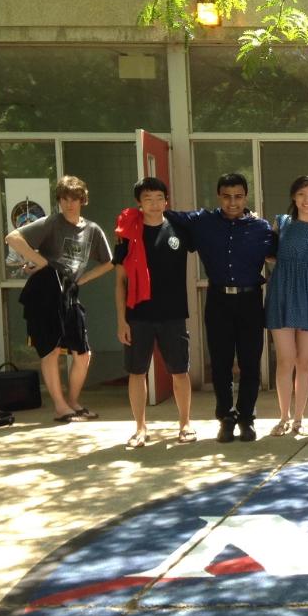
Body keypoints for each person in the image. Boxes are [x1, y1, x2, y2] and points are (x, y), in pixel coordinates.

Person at [166, 173, 275, 443]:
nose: (232, 202)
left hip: (250, 301)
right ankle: (226, 418)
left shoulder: (260, 228)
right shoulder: (203, 222)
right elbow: (165, 215)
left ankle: (246, 418)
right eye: (226, 197)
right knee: (221, 363)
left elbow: (280, 251)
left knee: (250, 362)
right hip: (218, 301)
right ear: (218, 197)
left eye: (238, 196)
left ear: (246, 197)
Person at [5, 175, 113, 423]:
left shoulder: (92, 229)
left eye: (74, 199)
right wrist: (41, 261)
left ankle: (73, 402)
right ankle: (61, 407)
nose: (68, 204)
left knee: (82, 353)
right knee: (51, 350)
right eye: (64, 199)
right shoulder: (52, 222)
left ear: (83, 200)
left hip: (69, 292)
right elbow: (12, 237)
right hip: (44, 291)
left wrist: (82, 280)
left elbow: (109, 262)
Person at [112, 176, 195, 447]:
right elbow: (120, 281)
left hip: (173, 314)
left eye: (159, 198)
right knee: (137, 372)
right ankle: (140, 428)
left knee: (179, 371)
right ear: (139, 202)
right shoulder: (128, 235)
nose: (155, 204)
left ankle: (185, 424)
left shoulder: (179, 228)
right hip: (138, 315)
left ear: (166, 201)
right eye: (148, 199)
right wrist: (121, 320)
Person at [264, 175, 308, 436]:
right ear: (293, 196)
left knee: (305, 360)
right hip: (282, 291)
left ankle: (299, 418)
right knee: (285, 359)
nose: (307, 200)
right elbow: (268, 254)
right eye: (302, 194)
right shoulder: (281, 223)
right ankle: (283, 417)